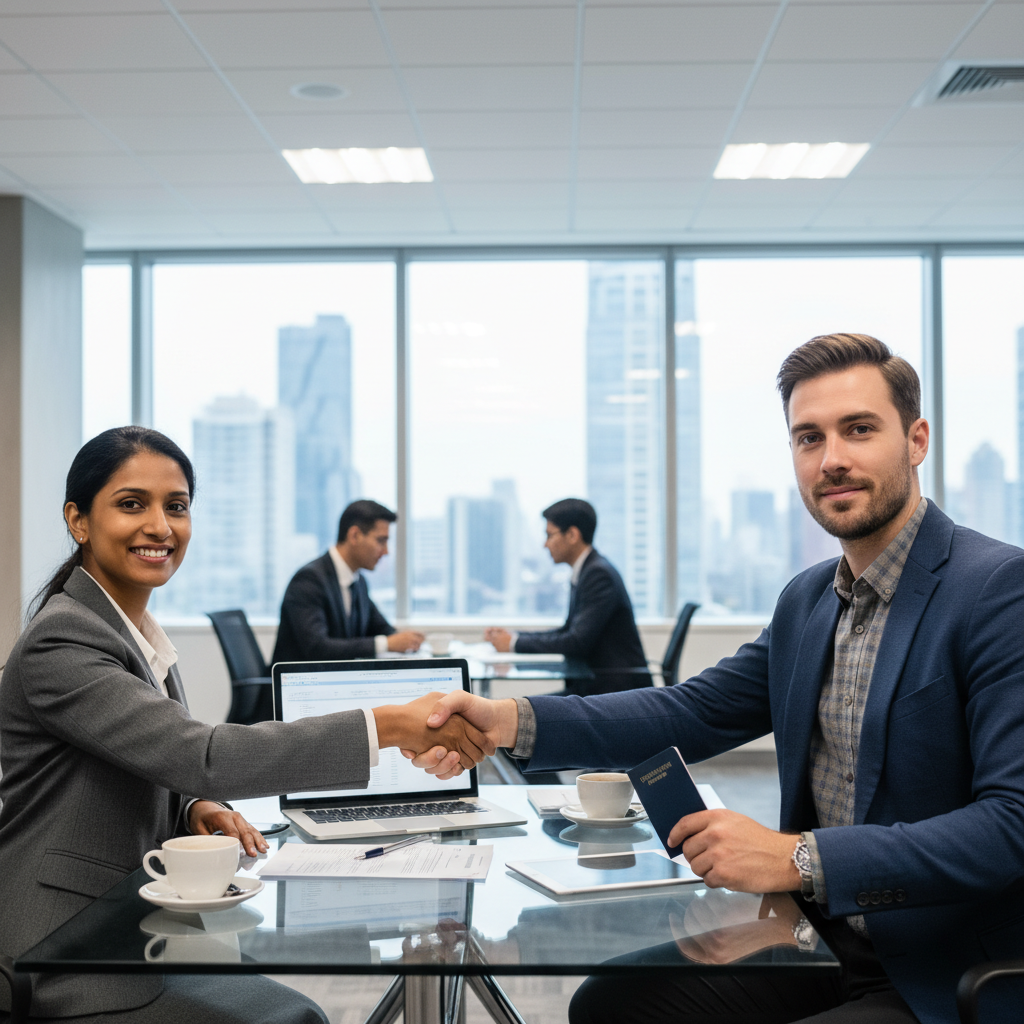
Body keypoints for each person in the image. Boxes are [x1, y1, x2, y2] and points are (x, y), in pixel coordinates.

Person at [418, 334, 1024, 1024]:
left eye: (859, 430)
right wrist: (509, 722)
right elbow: (690, 711)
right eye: (808, 438)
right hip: (816, 940)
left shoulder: (998, 590)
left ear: (916, 440)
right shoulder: (807, 601)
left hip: (940, 969)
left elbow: (1012, 825)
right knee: (611, 1006)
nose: (832, 459)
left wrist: (798, 858)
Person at [0, 427, 491, 1022]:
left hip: (130, 926)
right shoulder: (64, 638)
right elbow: (203, 755)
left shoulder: (126, 632)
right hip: (63, 950)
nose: (160, 525)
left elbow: (132, 758)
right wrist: (387, 725)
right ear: (78, 521)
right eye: (133, 504)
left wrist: (189, 807)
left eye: (176, 507)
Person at [484, 498, 650, 697]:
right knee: (520, 710)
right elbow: (568, 631)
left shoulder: (598, 575)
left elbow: (576, 642)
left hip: (615, 692)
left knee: (520, 713)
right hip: (594, 685)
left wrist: (514, 643)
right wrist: (514, 637)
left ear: (572, 535)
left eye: (549, 535)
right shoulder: (588, 570)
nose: (545, 545)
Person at [272, 499, 423, 664]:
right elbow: (317, 648)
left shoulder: (358, 582)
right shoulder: (309, 581)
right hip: (297, 686)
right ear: (355, 535)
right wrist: (386, 644)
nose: (386, 552)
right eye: (381, 541)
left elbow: (381, 628)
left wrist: (408, 640)